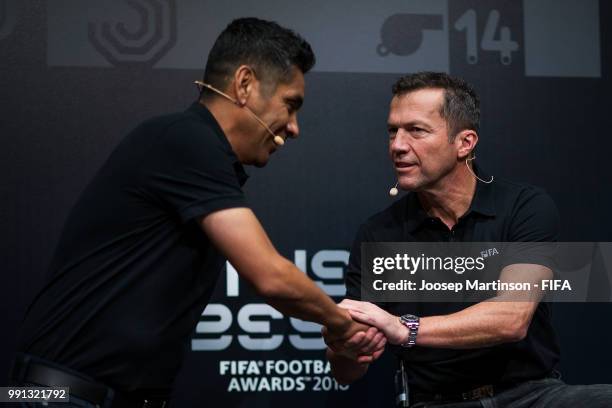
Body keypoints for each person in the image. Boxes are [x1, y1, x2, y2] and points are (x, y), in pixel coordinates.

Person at [11, 18, 382, 408]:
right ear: (244, 85)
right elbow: (270, 276)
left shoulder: (200, 152)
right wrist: (341, 324)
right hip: (54, 395)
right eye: (290, 105)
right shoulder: (187, 141)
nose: (293, 128)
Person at [325, 72, 612, 407]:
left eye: (416, 130)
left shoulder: (524, 206)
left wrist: (405, 329)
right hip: (436, 402)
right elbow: (345, 372)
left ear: (465, 142)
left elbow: (512, 318)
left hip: (532, 396)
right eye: (393, 131)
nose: (397, 146)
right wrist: (345, 347)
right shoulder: (379, 234)